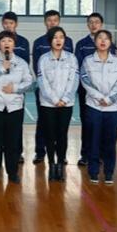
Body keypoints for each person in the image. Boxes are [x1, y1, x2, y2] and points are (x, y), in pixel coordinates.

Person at [0, 31, 33, 184]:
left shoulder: (22, 63)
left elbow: (30, 83)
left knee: (12, 142)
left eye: (9, 41)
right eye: (3, 41)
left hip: (14, 107)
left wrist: (15, 88)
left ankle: (12, 172)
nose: (6, 43)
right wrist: (1, 69)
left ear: (14, 45)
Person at [80, 30, 117, 185]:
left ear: (110, 42)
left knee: (110, 141)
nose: (103, 41)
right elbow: (85, 80)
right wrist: (100, 97)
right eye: (100, 38)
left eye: (106, 39)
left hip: (113, 108)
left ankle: (109, 172)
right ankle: (93, 171)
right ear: (95, 42)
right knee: (93, 140)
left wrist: (110, 99)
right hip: (94, 106)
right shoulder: (88, 61)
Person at [36, 26, 78, 182]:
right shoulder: (43, 59)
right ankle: (51, 165)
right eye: (55, 37)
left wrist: (64, 99)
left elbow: (73, 80)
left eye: (61, 37)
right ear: (50, 41)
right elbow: (42, 81)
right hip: (48, 104)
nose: (58, 40)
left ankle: (60, 164)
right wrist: (54, 100)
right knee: (50, 135)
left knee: (62, 134)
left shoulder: (72, 58)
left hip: (66, 104)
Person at [32, 10, 74, 165]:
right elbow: (37, 68)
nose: (52, 23)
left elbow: (71, 70)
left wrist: (63, 96)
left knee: (62, 128)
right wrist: (50, 94)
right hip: (45, 90)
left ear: (59, 21)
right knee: (43, 122)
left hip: (64, 93)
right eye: (49, 20)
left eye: (55, 20)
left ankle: (61, 155)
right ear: (45, 22)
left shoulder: (68, 41)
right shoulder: (38, 42)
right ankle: (40, 152)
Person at [74, 12, 116, 167]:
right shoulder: (81, 44)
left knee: (104, 125)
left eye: (96, 22)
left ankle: (102, 155)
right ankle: (86, 154)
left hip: (107, 94)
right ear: (87, 25)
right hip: (87, 92)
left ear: (101, 24)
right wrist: (91, 89)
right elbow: (79, 68)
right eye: (91, 22)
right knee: (88, 124)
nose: (94, 25)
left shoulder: (111, 45)